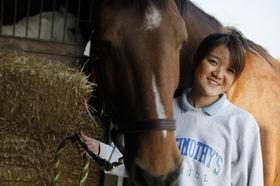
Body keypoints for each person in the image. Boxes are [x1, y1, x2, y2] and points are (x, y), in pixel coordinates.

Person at [79, 29, 264, 186]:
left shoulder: (242, 124)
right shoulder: (164, 113)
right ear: (196, 60)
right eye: (213, 62)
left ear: (235, 79)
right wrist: (99, 150)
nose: (218, 74)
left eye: (230, 70)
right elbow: (140, 163)